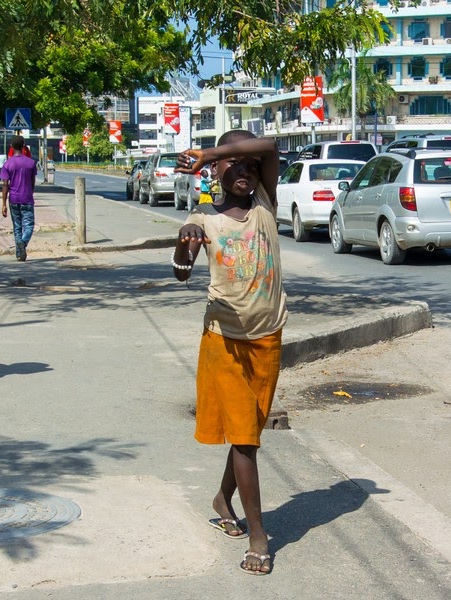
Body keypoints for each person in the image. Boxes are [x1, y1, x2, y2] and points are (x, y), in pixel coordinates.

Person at [171, 130, 286, 576]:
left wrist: (212, 151)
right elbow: (181, 275)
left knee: (248, 430)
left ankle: (223, 498)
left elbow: (270, 148)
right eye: (233, 165)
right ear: (215, 173)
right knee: (244, 438)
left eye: (250, 165)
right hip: (225, 341)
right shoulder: (204, 218)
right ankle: (259, 536)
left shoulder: (266, 204)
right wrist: (184, 246)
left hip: (268, 335)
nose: (245, 170)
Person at [0, 135, 38, 261]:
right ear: (23, 146)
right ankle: (23, 242)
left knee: (17, 227)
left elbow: (5, 185)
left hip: (13, 199)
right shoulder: (31, 163)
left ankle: (19, 253)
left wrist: (3, 204)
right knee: (29, 225)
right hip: (27, 198)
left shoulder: (7, 164)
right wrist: (30, 193)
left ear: (11, 146)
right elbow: (32, 182)